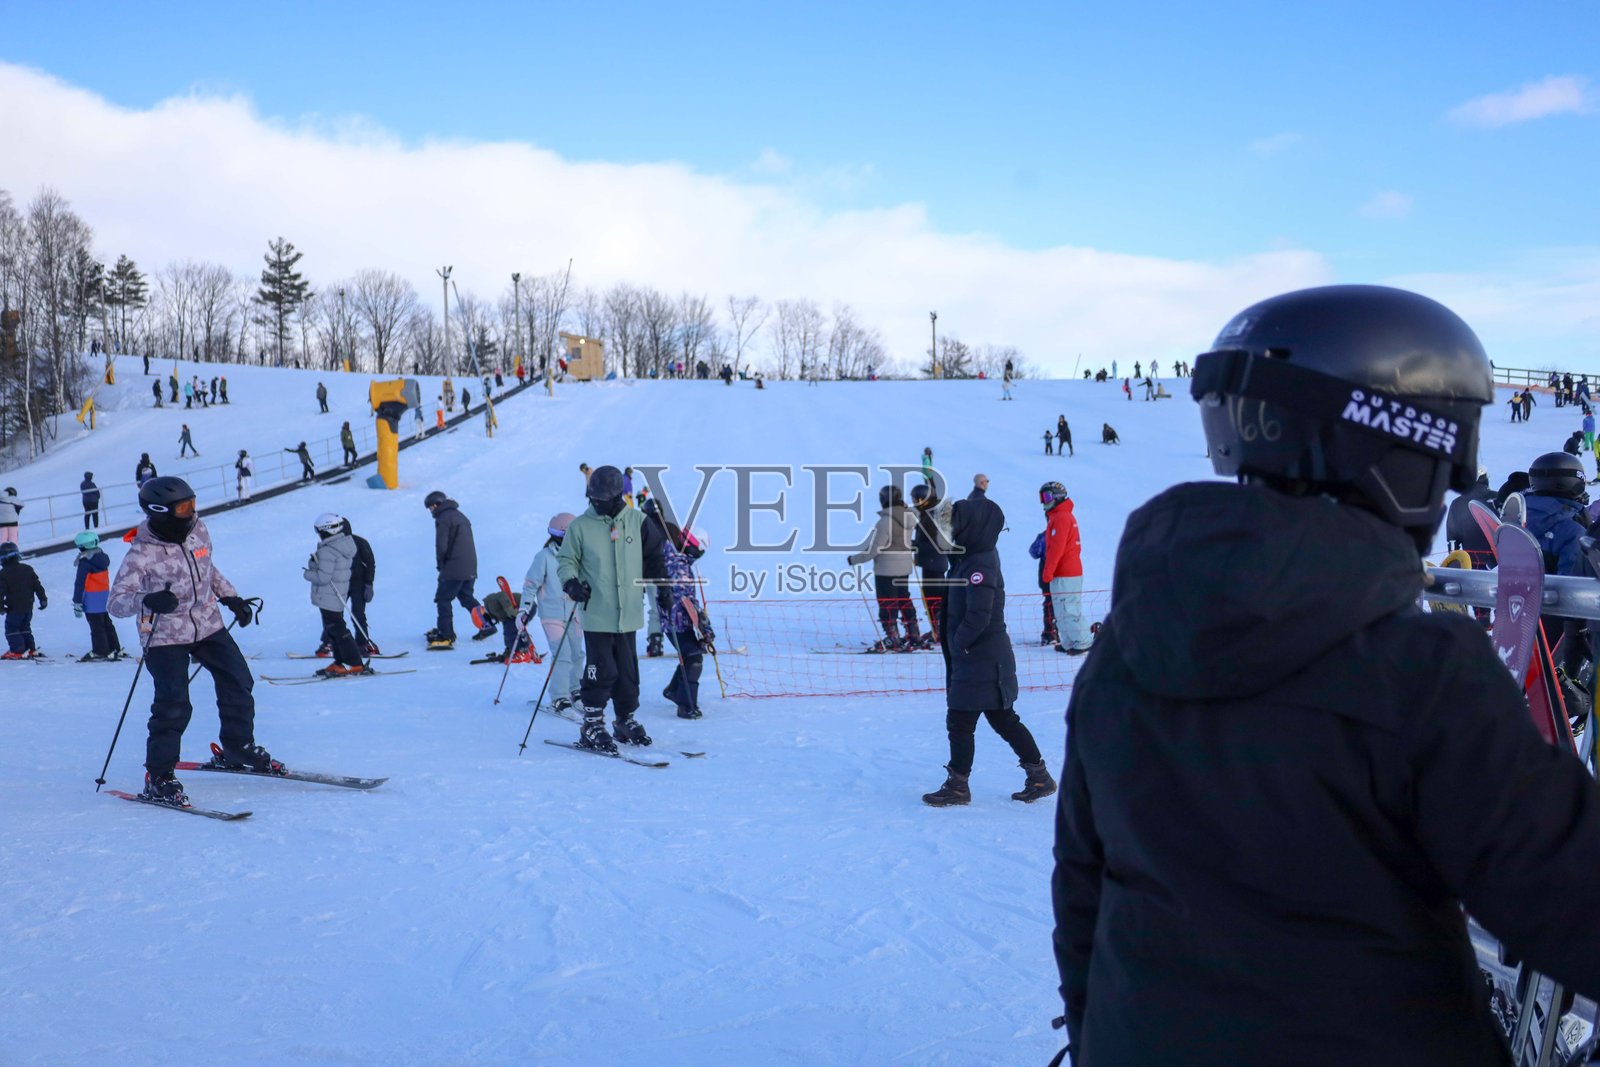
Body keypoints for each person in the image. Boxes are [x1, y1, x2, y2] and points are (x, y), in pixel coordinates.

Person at [1051, 284, 1600, 1065]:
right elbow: (1570, 897)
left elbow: (1084, 897)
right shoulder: (1418, 672)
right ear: (1402, 454)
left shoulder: (1125, 654)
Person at [107, 476, 271, 806]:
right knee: (174, 703)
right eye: (183, 507)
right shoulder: (141, 553)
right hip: (166, 636)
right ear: (159, 511)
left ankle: (237, 747)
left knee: (239, 680)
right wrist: (148, 599)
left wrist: (231, 598)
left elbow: (207, 568)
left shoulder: (198, 529)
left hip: (208, 624)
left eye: (192, 504)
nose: (191, 511)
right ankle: (159, 776)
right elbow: (116, 602)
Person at [923, 472, 1054, 807]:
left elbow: (979, 615)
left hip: (980, 657)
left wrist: (958, 642)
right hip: (981, 658)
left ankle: (958, 786)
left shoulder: (979, 564)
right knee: (1002, 719)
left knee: (961, 720)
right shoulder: (971, 557)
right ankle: (1039, 776)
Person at [556, 465, 669, 753]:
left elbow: (655, 557)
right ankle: (592, 723)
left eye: (601, 498)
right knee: (600, 669)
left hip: (629, 613)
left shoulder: (638, 521)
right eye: (592, 497)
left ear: (617, 496)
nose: (595, 502)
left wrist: (664, 589)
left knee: (628, 673)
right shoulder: (580, 527)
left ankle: (624, 719)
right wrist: (571, 583)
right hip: (597, 613)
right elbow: (566, 560)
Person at [1523, 451, 1591, 677]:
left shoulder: (1520, 516)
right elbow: (1573, 590)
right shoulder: (1571, 529)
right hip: (1559, 633)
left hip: (1522, 619)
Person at [521, 512, 585, 713]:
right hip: (552, 614)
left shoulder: (580, 556)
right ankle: (559, 697)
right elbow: (530, 585)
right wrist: (524, 608)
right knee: (562, 654)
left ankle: (576, 691)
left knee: (577, 654)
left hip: (575, 613)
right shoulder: (545, 557)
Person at [847, 485, 922, 651]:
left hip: (887, 570)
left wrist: (855, 559)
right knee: (904, 599)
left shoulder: (885, 522)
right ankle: (914, 633)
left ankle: (892, 637)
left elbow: (875, 549)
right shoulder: (909, 518)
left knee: (888, 603)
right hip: (904, 567)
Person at [423, 490, 495, 650]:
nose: (431, 511)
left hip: (454, 567)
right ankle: (487, 625)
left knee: (443, 599)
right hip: (469, 566)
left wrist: (441, 564)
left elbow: (441, 545)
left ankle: (445, 635)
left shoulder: (444, 518)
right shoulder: (459, 515)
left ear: (436, 504)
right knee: (466, 597)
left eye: (430, 507)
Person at [303, 512, 370, 678]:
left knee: (338, 629)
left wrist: (308, 572)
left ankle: (354, 663)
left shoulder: (328, 551)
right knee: (333, 629)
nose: (318, 534)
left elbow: (323, 577)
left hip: (329, 595)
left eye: (319, 530)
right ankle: (340, 661)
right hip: (335, 593)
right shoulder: (342, 545)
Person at [659, 523, 712, 719]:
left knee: (690, 654)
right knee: (694, 658)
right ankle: (686, 705)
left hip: (676, 620)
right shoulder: (679, 566)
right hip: (676, 621)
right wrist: (702, 624)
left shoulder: (675, 559)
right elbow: (685, 600)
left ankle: (674, 690)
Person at [1040, 482, 1092, 654]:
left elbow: (1056, 548)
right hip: (1061, 573)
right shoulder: (1057, 516)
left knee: (1069, 608)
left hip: (1066, 572)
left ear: (1057, 497)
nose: (1043, 502)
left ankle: (1083, 641)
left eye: (1046, 497)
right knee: (1060, 608)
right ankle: (1069, 641)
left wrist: (1048, 571)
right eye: (1042, 497)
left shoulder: (1061, 517)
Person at [910, 481, 954, 648]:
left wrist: (913, 545)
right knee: (930, 598)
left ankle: (941, 630)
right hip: (931, 562)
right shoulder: (929, 515)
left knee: (935, 599)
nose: (914, 503)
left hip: (934, 562)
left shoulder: (931, 517)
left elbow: (935, 543)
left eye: (916, 500)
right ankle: (937, 629)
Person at [72, 530, 124, 661]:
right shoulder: (102, 558)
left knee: (96, 626)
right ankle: (114, 647)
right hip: (104, 597)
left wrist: (77, 602)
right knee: (106, 623)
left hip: (91, 598)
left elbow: (80, 584)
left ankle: (100, 650)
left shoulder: (85, 563)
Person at [0, 541, 46, 658]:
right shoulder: (27, 569)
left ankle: (17, 650)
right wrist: (43, 599)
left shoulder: (3, 573)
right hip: (28, 606)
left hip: (14, 607)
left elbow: (1, 591)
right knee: (25, 627)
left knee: (12, 628)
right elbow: (37, 586)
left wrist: (1, 606)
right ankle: (30, 648)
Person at [1444, 466, 1496, 568]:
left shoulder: (1457, 504)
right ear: (1485, 478)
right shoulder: (1498, 498)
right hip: (1500, 567)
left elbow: (1452, 542)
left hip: (1471, 569)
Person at [343, 518, 378, 655]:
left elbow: (370, 564)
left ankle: (363, 642)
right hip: (341, 584)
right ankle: (330, 642)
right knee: (334, 614)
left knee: (357, 614)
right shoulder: (333, 546)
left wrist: (369, 584)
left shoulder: (359, 542)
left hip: (359, 584)